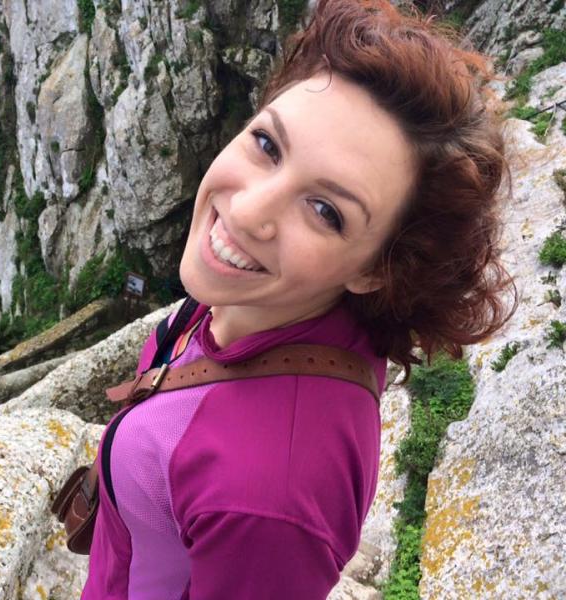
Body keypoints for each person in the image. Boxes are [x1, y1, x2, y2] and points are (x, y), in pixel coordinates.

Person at [81, 0, 517, 597]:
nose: (247, 211)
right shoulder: (272, 303)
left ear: (377, 269)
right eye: (267, 144)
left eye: (325, 210)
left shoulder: (268, 501)